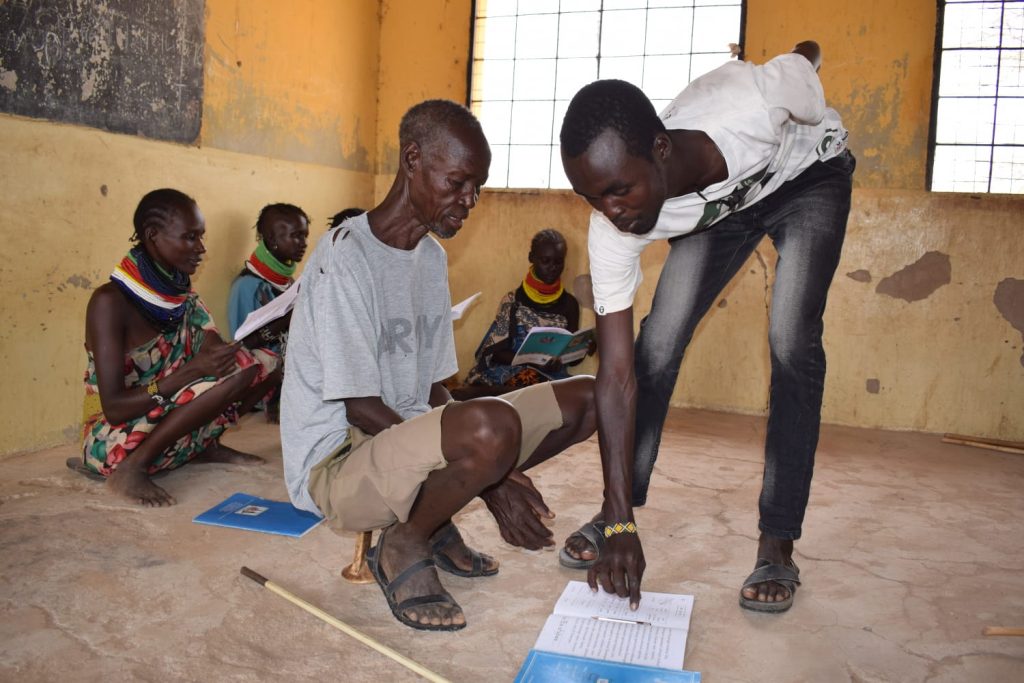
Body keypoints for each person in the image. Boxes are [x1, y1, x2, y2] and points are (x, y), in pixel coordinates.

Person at [558, 41, 854, 613]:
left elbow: (804, 60)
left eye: (619, 190)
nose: (610, 211)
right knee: (656, 346)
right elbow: (616, 375)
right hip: (718, 213)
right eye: (591, 198)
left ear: (660, 151)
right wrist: (619, 523)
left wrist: (806, 56)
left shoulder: (751, 106)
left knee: (791, 340)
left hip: (808, 179)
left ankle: (777, 543)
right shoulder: (615, 224)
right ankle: (618, 511)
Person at [281, 99, 596, 632]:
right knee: (490, 427)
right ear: (413, 160)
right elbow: (360, 408)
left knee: (586, 398)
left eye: (477, 187)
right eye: (457, 182)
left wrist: (488, 462)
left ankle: (431, 519)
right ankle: (404, 542)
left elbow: (433, 391)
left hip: (401, 447)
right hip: (338, 465)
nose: (469, 200)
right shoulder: (345, 256)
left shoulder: (429, 257)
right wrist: (493, 478)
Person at [80, 189, 280, 507]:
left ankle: (204, 446)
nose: (201, 248)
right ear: (152, 235)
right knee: (225, 376)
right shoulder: (109, 302)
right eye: (189, 237)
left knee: (262, 364)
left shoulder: (181, 295)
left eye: (200, 236)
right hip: (115, 439)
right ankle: (133, 469)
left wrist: (269, 330)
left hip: (166, 424)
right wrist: (191, 372)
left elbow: (217, 354)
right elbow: (115, 408)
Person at [459, 229, 593, 397]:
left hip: (551, 377)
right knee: (528, 387)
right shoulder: (512, 301)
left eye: (558, 262)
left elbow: (571, 357)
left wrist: (583, 348)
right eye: (545, 261)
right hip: (512, 372)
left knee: (586, 390)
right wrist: (532, 362)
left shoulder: (570, 304)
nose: (553, 268)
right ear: (531, 258)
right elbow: (496, 353)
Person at [227, 203, 310, 420]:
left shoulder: (287, 282)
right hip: (263, 375)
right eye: (296, 236)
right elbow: (243, 346)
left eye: (305, 236)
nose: (304, 243)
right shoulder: (247, 286)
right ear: (272, 240)